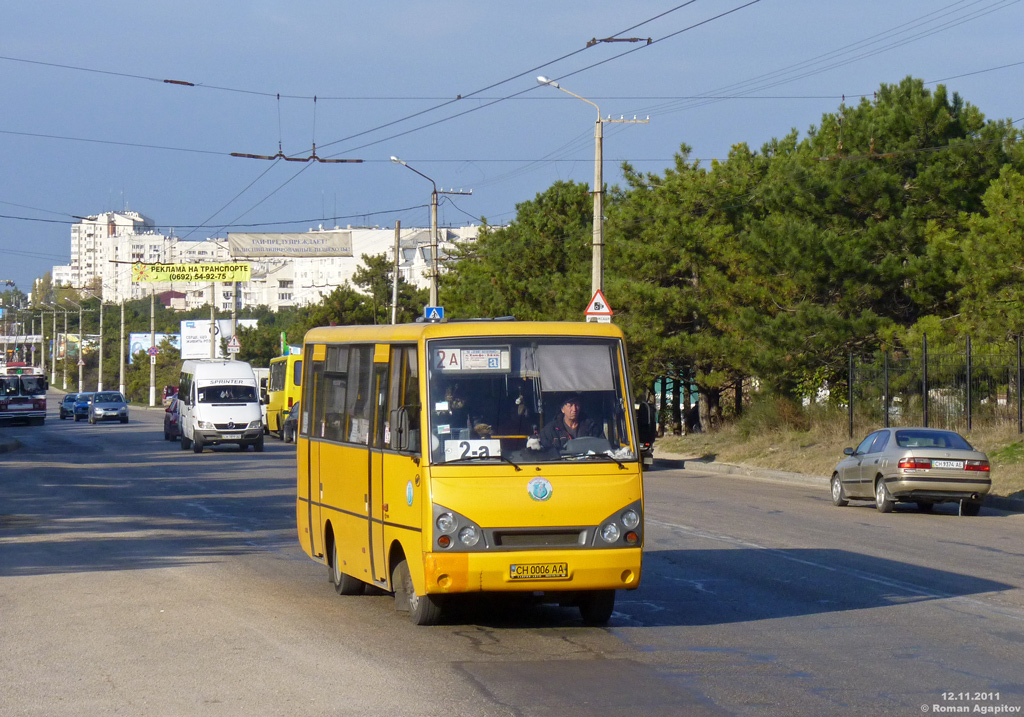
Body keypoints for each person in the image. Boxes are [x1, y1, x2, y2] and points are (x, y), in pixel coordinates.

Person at [534, 395, 604, 450]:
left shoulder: (591, 427)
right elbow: (544, 453)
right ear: (562, 409)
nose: (574, 409)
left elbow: (604, 449)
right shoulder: (550, 430)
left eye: (577, 405)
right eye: (570, 406)